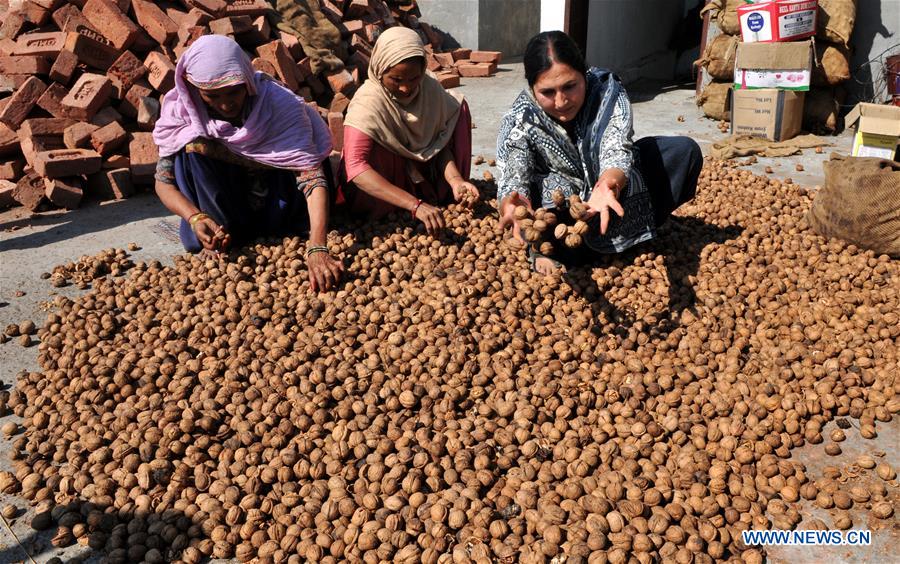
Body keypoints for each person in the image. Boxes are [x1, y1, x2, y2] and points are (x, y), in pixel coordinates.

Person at [496, 31, 703, 274]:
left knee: (682, 152)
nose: (561, 101)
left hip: (610, 191)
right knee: (541, 196)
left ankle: (623, 234)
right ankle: (551, 248)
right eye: (548, 92)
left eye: (570, 86)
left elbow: (617, 147)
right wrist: (515, 200)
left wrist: (609, 184)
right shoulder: (522, 115)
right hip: (563, 208)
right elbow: (514, 165)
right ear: (532, 88)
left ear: (584, 74)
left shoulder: (607, 92)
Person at [152, 34, 343, 292]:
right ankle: (218, 235)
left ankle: (286, 229)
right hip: (228, 214)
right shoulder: (181, 111)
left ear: (247, 79)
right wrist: (195, 218)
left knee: (308, 167)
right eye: (212, 96)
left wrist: (317, 246)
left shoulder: (278, 104)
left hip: (279, 205)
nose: (225, 103)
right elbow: (163, 184)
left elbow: (312, 174)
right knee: (190, 151)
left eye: (234, 91)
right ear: (194, 88)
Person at [338, 27, 479, 234]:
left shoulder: (429, 89)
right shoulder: (368, 102)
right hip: (380, 195)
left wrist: (456, 180)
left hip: (421, 184)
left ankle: (441, 194)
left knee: (457, 106)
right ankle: (388, 211)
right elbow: (356, 169)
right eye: (396, 80)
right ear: (380, 70)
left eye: (413, 79)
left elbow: (435, 147)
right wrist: (414, 205)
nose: (406, 88)